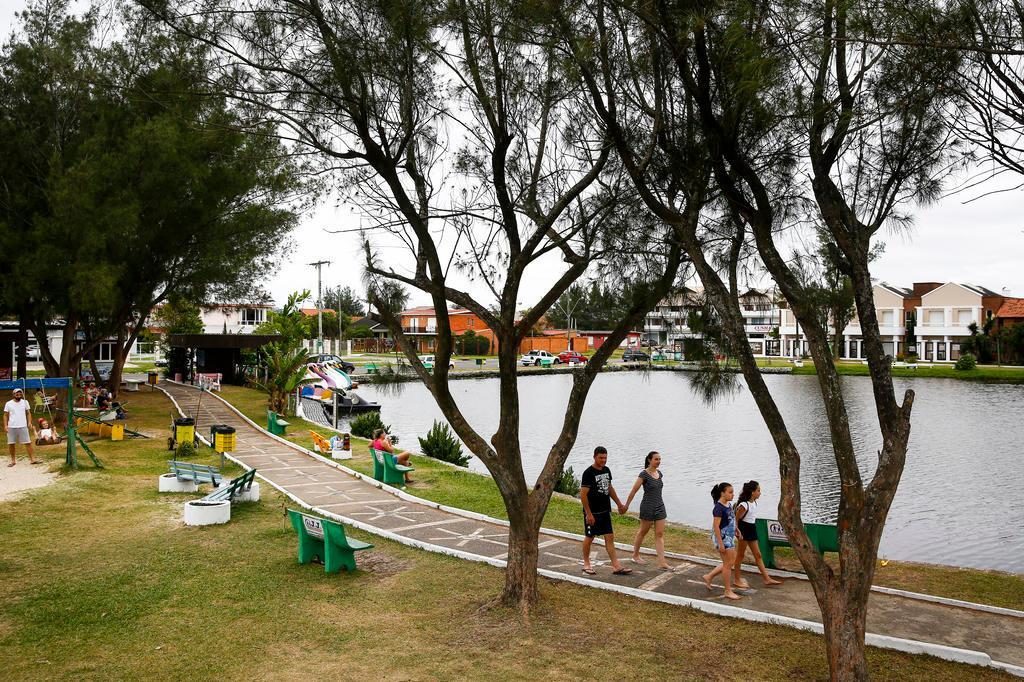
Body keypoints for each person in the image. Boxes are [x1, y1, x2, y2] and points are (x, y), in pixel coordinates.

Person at [580, 446, 632, 576]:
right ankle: (586, 564)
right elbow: (583, 495)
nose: (603, 460)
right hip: (593, 513)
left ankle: (616, 566)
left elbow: (609, 488)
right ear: (595, 457)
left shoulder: (607, 470)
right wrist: (588, 513)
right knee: (589, 537)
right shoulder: (588, 473)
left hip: (605, 511)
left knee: (609, 537)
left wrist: (619, 504)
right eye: (601, 458)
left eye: (605, 458)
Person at [624, 451, 671, 570]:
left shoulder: (659, 473)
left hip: (660, 506)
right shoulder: (643, 474)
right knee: (643, 532)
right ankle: (635, 555)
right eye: (656, 459)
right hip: (647, 506)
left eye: (660, 459)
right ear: (649, 460)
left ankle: (662, 562)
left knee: (659, 534)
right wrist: (626, 505)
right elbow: (634, 490)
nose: (659, 461)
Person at [732, 480, 783, 588]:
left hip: (752, 529)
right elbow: (736, 520)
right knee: (740, 555)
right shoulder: (744, 505)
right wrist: (737, 531)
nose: (760, 493)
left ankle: (767, 578)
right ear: (752, 492)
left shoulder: (754, 502)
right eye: (758, 490)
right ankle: (736, 579)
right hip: (744, 530)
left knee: (758, 555)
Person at [702, 481, 742, 600]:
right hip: (723, 538)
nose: (733, 495)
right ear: (722, 493)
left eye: (733, 492)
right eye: (730, 492)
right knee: (728, 565)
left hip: (729, 536)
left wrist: (736, 529)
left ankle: (709, 576)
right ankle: (727, 591)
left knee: (730, 562)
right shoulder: (718, 508)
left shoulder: (728, 505)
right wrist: (720, 543)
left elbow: (731, 519)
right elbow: (716, 526)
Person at [4, 388, 40, 466]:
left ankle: (32, 460)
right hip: (11, 426)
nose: (19, 395)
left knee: (28, 443)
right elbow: (5, 415)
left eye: (20, 394)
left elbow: (28, 413)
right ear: (13, 394)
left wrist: (29, 422)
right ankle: (13, 461)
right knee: (11, 443)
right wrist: (6, 425)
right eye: (17, 394)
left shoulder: (25, 402)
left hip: (23, 425)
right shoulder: (8, 403)